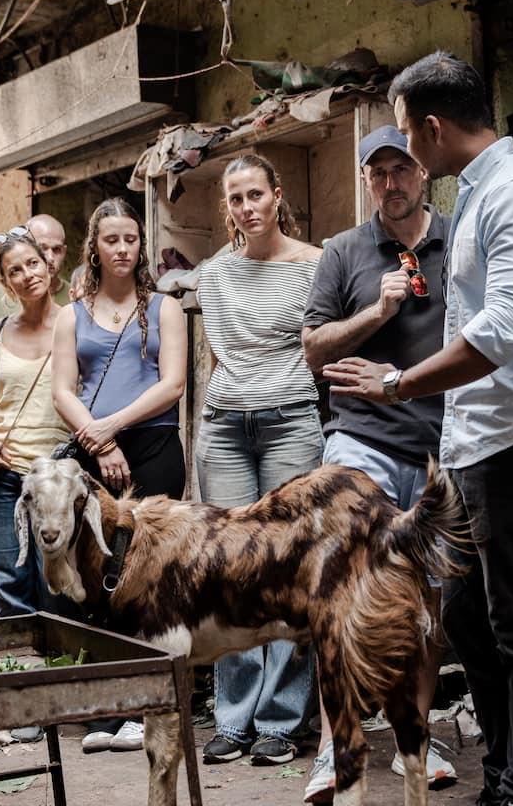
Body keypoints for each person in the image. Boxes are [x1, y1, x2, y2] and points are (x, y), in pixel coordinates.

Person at [324, 52, 513, 806]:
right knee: (470, 619)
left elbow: (503, 330)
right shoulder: (477, 195)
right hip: (478, 448)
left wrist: (398, 382)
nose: (405, 152)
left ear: (433, 129)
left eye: (407, 133)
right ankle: (508, 772)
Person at [299, 125, 456, 802]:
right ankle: (338, 742)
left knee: (423, 599)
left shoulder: (459, 239)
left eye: (401, 169)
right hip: (358, 440)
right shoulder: (343, 252)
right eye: (377, 173)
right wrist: (379, 309)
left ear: (423, 173)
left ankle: (416, 736)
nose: (390, 183)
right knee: (342, 593)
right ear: (366, 181)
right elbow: (314, 349)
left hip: (438, 443)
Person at [195, 154, 323, 768]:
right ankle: (233, 718)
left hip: (291, 422)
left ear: (277, 196)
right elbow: (216, 362)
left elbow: (318, 351)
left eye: (256, 195)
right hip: (224, 429)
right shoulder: (213, 275)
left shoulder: (315, 265)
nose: (247, 208)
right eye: (236, 198)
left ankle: (281, 720)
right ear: (229, 207)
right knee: (228, 571)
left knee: (289, 568)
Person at [51, 197, 187, 754]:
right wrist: (98, 439)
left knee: (144, 577)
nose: (123, 249)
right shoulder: (71, 312)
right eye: (112, 240)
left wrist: (113, 428)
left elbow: (173, 383)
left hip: (153, 445)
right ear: (96, 247)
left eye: (132, 239)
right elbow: (63, 390)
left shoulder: (164, 308)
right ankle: (100, 708)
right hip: (91, 451)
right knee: (90, 579)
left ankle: (143, 707)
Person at [0, 229, 69, 618]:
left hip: (55, 475)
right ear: (6, 283)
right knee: (8, 583)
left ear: (48, 265)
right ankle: (20, 673)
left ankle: (57, 672)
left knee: (55, 585)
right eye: (15, 270)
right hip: (1, 472)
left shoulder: (75, 323)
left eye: (33, 263)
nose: (28, 274)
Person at [0, 214, 71, 391]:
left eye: (56, 250)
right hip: (6, 414)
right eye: (42, 248)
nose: (50, 257)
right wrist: (15, 360)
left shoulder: (77, 298)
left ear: (64, 251)